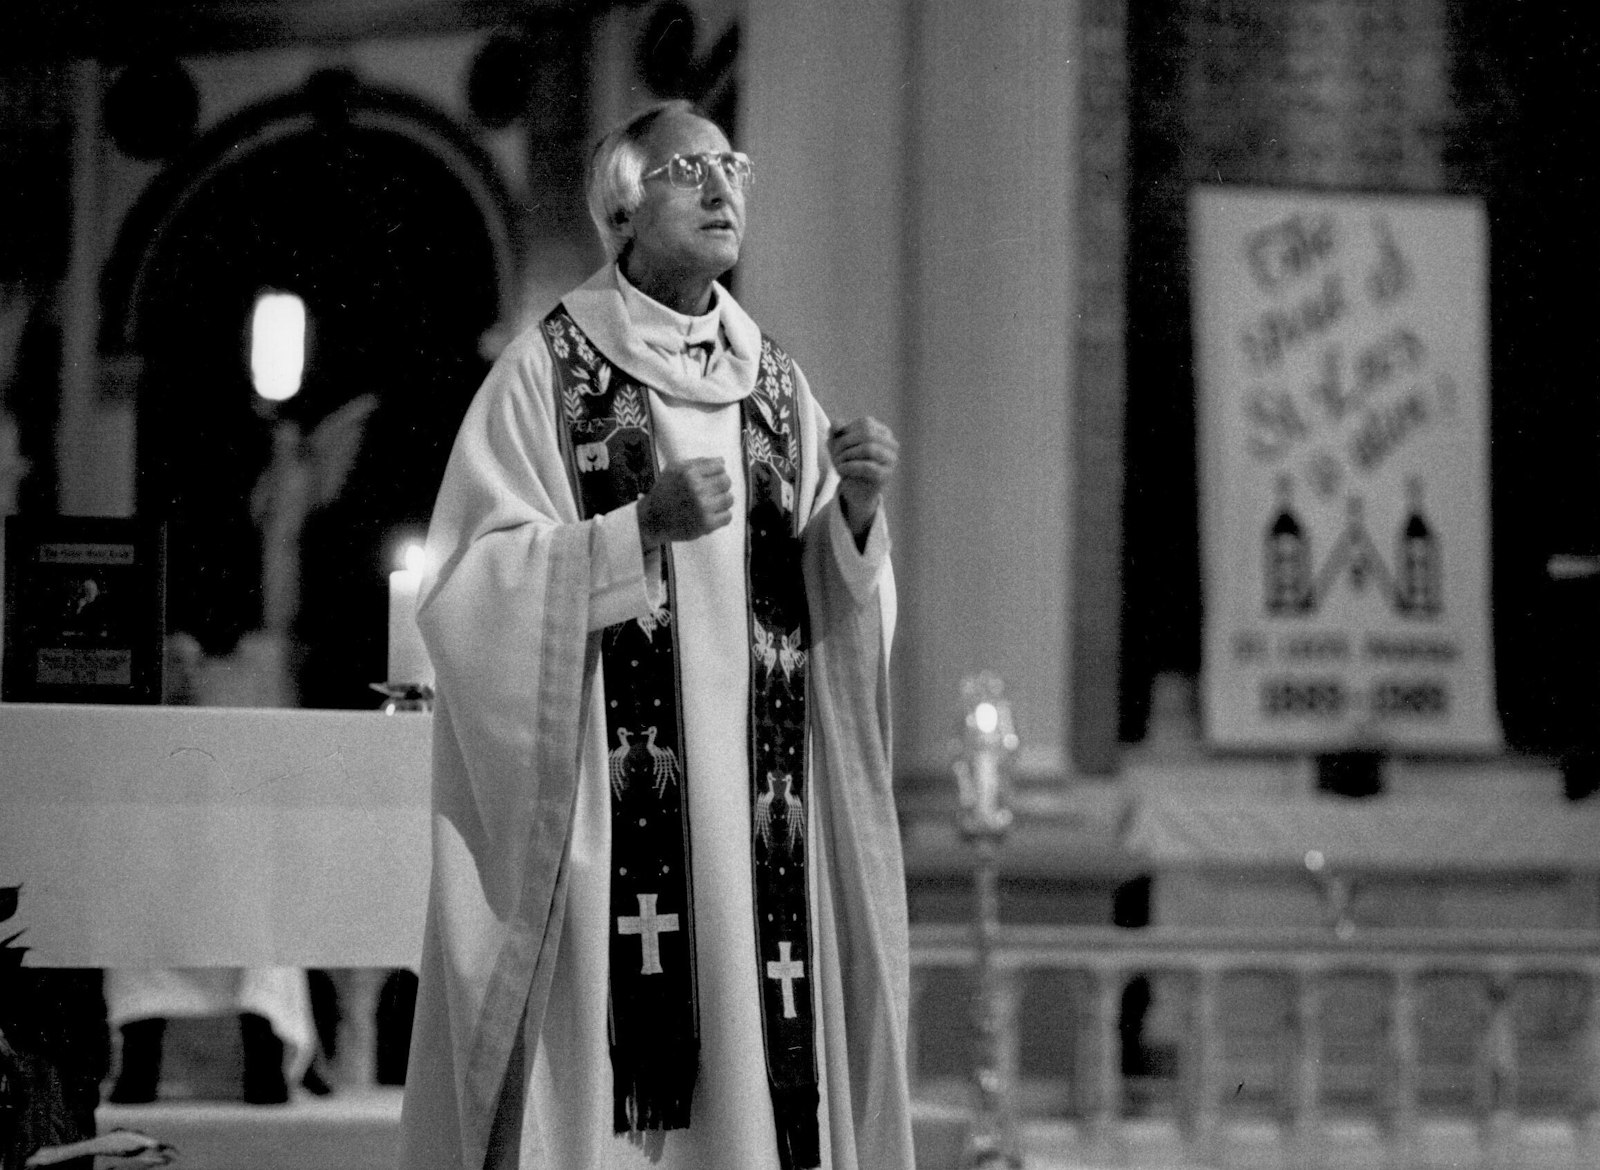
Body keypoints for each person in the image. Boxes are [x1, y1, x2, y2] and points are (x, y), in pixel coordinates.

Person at [398, 99, 914, 1170]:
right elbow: (469, 591)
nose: (724, 188)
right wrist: (637, 533)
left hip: (764, 827)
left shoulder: (775, 384)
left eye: (732, 165)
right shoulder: (550, 374)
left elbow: (833, 611)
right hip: (618, 822)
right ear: (621, 211)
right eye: (690, 170)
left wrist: (855, 521)